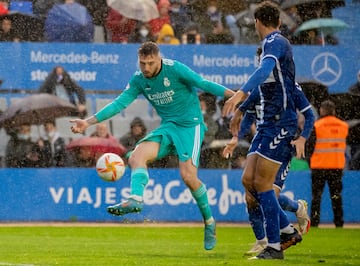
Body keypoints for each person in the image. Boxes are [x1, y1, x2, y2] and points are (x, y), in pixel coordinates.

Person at [70, 41, 234, 250]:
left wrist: (234, 95)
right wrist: (87, 122)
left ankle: (210, 223)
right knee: (136, 156)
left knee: (188, 177)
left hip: (190, 126)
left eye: (150, 63)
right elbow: (119, 103)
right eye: (142, 63)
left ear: (159, 58)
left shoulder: (174, 69)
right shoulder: (139, 79)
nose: (146, 68)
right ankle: (136, 199)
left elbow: (203, 83)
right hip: (168, 127)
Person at [222, 1, 300, 259]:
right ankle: (287, 229)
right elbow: (263, 82)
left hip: (281, 123)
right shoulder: (272, 45)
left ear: (258, 22)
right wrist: (244, 106)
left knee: (263, 183)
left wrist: (240, 95)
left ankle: (275, 246)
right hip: (268, 124)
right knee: (249, 182)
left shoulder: (275, 41)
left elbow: (264, 70)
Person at [226, 83, 314, 256]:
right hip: (262, 142)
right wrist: (236, 138)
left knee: (268, 194)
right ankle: (263, 241)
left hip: (281, 145)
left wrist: (303, 138)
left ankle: (293, 216)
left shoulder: (290, 87)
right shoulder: (259, 88)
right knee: (251, 196)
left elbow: (309, 115)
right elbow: (249, 116)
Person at [307, 100, 348, 228]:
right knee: (336, 196)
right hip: (336, 166)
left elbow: (310, 147)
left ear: (322, 110)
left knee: (316, 197)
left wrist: (310, 161)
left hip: (319, 166)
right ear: (334, 111)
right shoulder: (343, 126)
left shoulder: (317, 126)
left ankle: (314, 222)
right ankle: (339, 222)